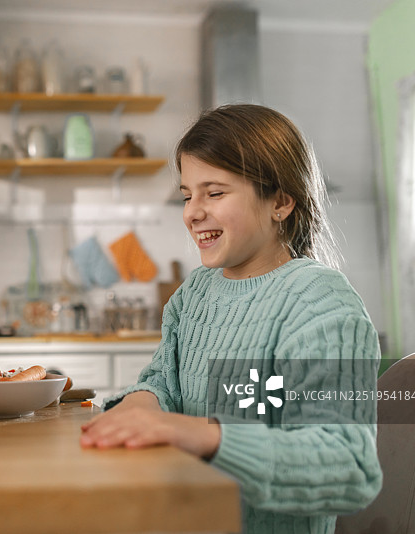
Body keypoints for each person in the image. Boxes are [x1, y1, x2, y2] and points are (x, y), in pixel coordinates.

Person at [80, 104, 383, 533]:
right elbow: (163, 382)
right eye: (187, 195)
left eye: (215, 193)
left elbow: (348, 467)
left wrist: (195, 433)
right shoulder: (194, 293)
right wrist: (141, 405)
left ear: (280, 201)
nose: (192, 212)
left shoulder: (318, 301)